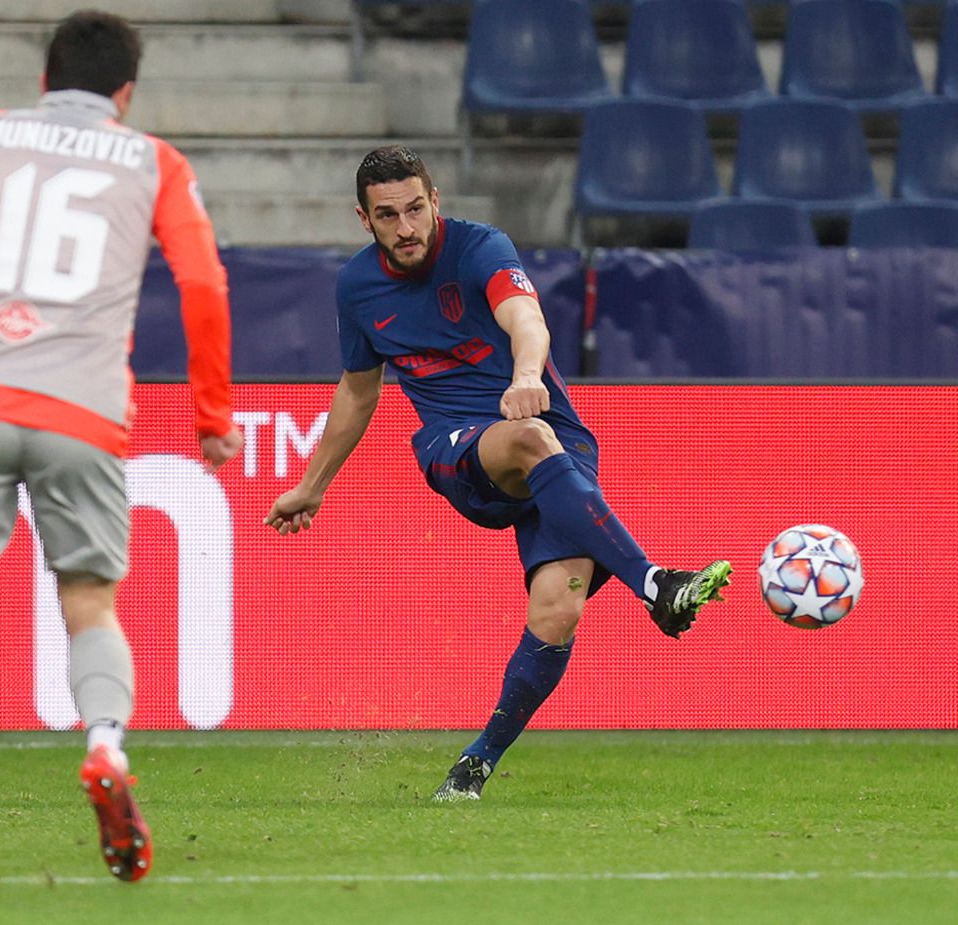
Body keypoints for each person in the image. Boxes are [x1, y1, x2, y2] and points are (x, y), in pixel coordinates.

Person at [0, 10, 243, 885]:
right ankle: (104, 745)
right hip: (84, 415)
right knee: (90, 605)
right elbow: (205, 282)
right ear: (125, 94)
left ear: (44, 78)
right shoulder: (154, 161)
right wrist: (212, 412)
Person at [265, 145, 731, 802]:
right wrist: (312, 485)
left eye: (416, 208)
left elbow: (527, 320)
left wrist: (525, 375)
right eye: (388, 215)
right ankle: (655, 584)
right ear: (364, 220)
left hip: (548, 437)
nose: (406, 227)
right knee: (530, 440)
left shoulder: (482, 248)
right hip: (459, 452)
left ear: (436, 201)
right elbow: (358, 390)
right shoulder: (358, 288)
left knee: (559, 607)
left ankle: (474, 767)